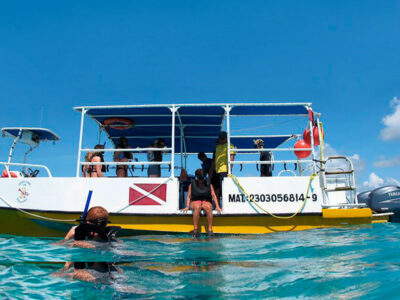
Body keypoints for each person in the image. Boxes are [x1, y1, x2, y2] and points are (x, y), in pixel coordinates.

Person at [181, 169, 222, 237]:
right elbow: (188, 196)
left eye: (202, 178)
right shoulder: (192, 185)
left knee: (208, 207)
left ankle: (210, 230)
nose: (200, 180)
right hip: (195, 201)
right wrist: (187, 207)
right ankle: (196, 229)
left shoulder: (209, 184)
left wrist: (217, 206)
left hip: (206, 201)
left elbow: (214, 195)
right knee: (198, 206)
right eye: (199, 178)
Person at [212, 131, 235, 198]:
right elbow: (215, 159)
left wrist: (230, 171)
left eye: (222, 138)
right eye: (220, 138)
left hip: (225, 170)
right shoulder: (218, 147)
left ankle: (225, 204)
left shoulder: (230, 146)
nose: (220, 140)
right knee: (216, 188)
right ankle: (218, 205)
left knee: (224, 188)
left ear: (226, 138)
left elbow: (232, 158)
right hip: (217, 170)